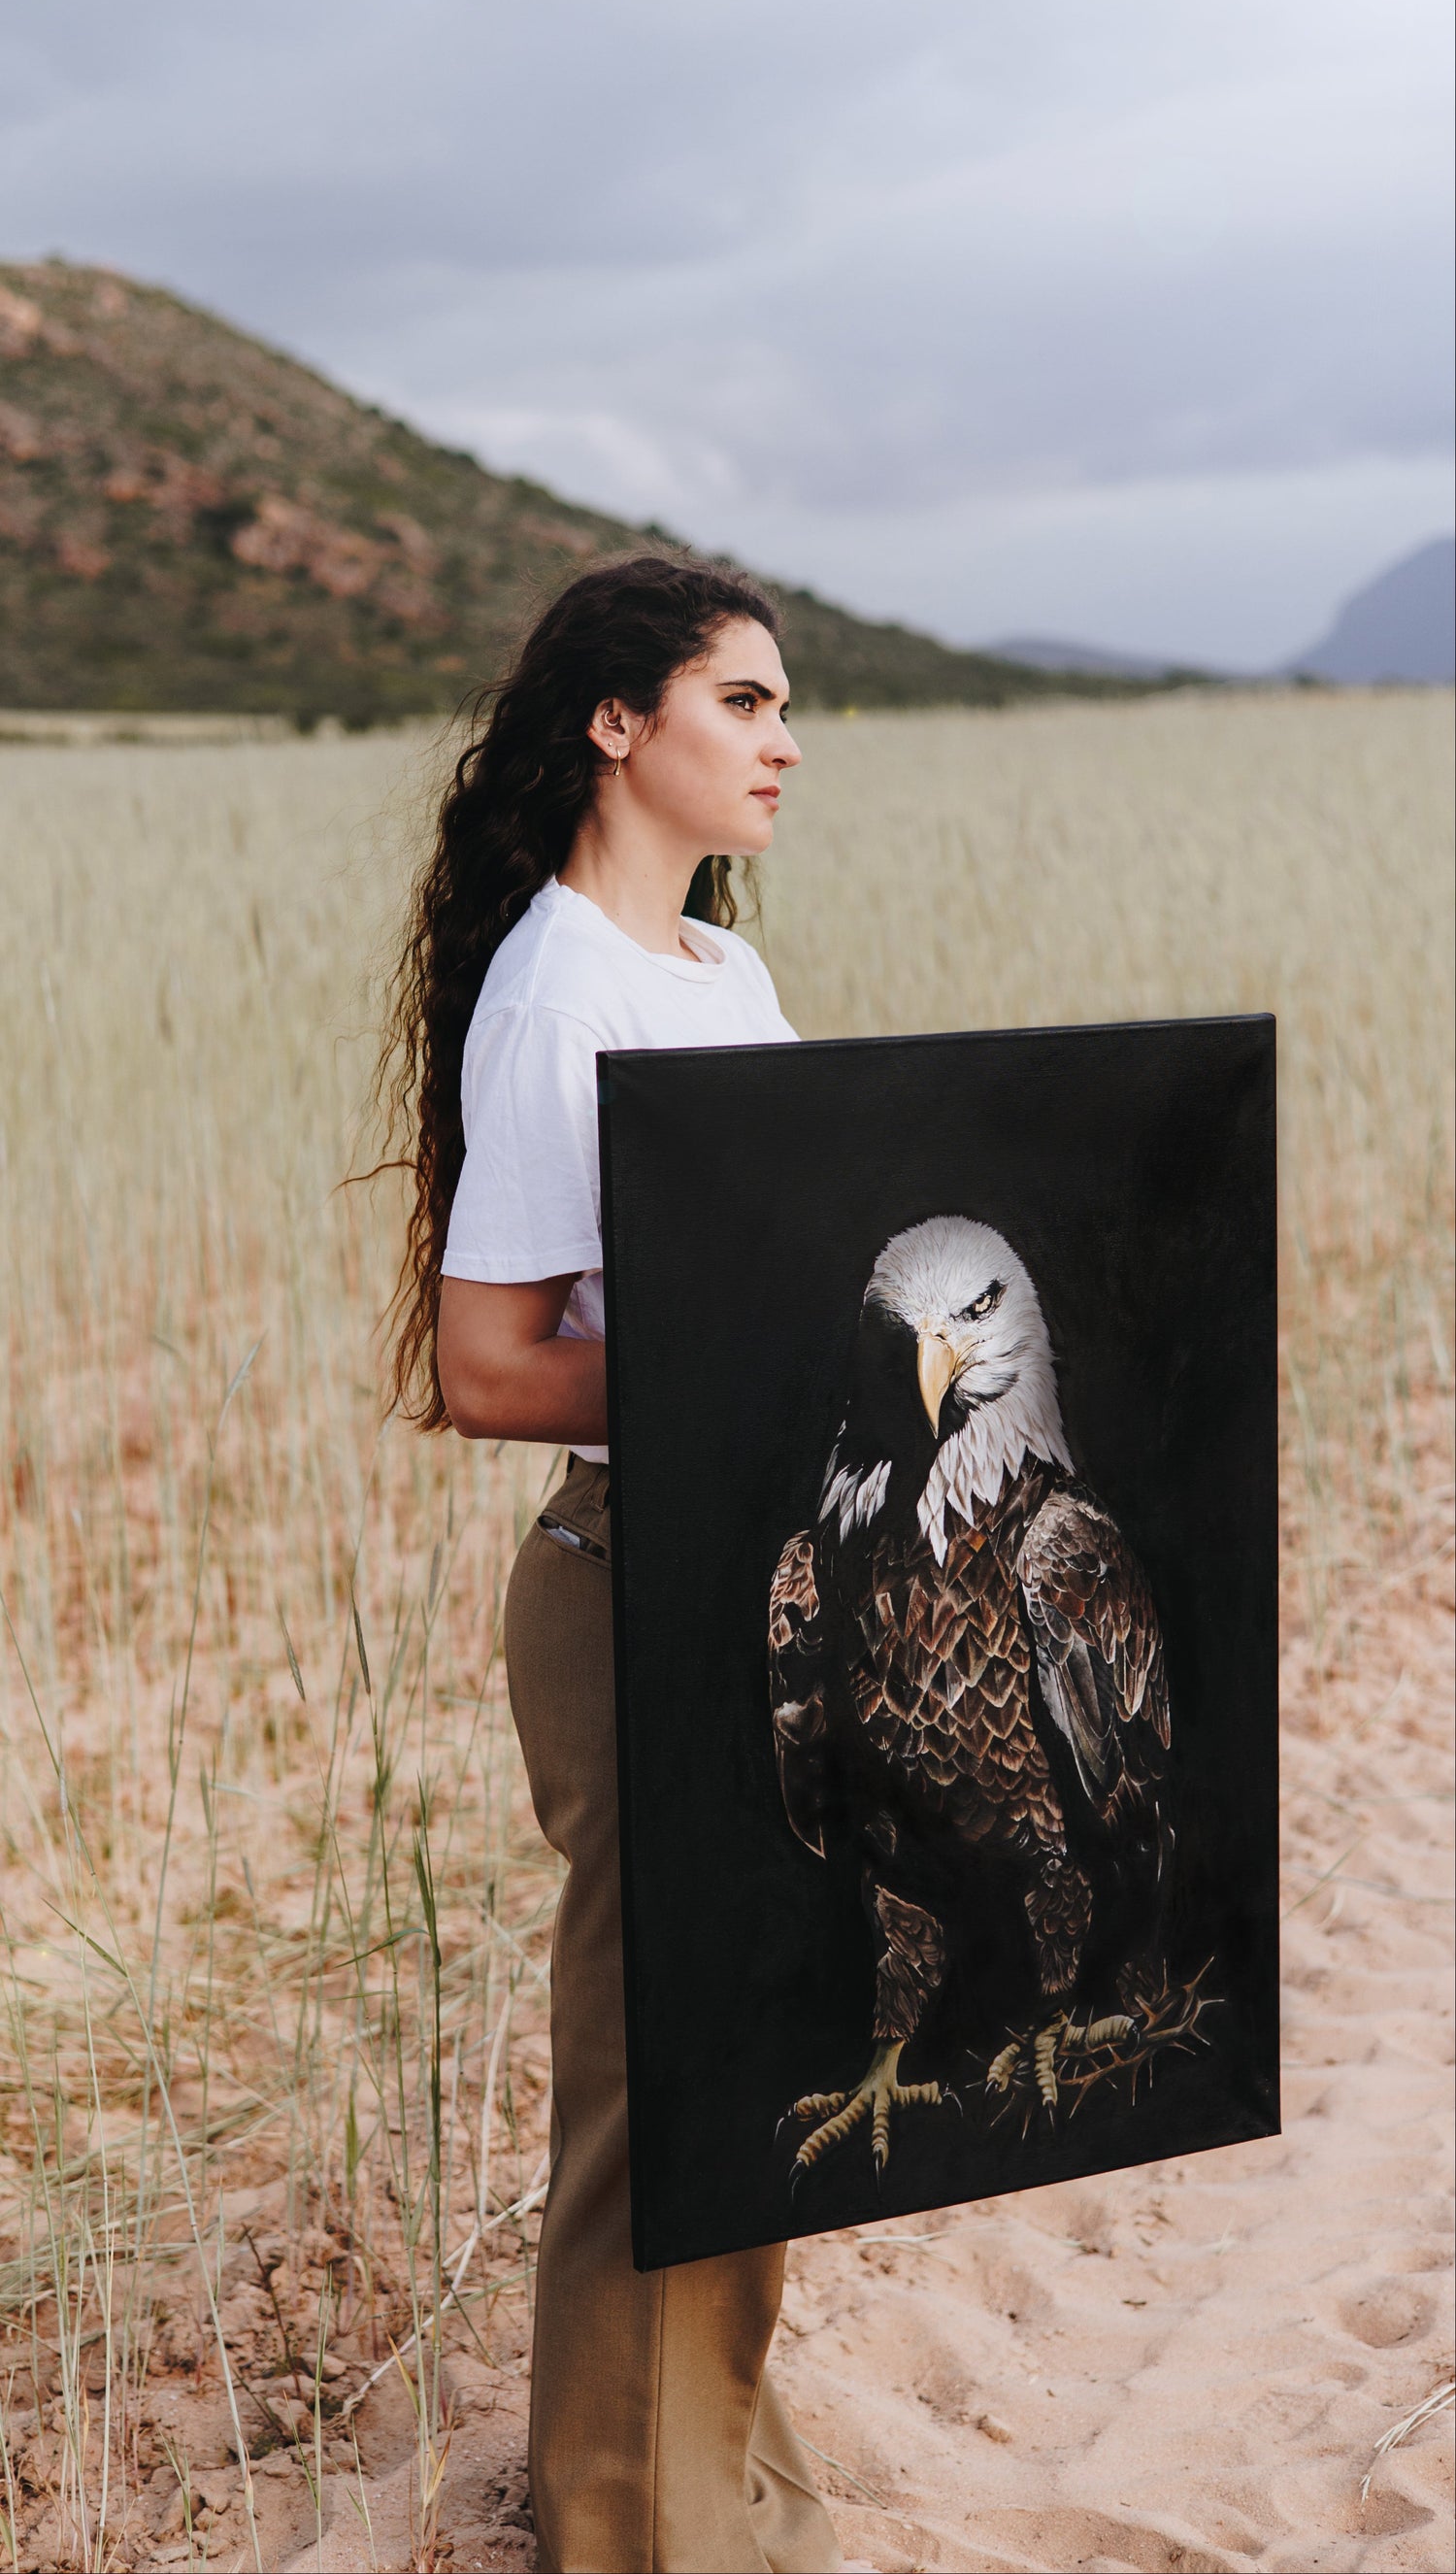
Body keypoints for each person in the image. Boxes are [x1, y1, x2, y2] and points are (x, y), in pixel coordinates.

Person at [379, 556, 855, 2574]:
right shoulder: (560, 983)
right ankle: (627, 2528)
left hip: (766, 1574)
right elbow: (489, 1364)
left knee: (762, 2071)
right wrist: (737, 1340)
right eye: (741, 700)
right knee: (657, 2094)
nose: (783, 739)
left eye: (782, 705)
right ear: (616, 724)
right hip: (629, 1578)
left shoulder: (716, 975)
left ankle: (727, 2484)